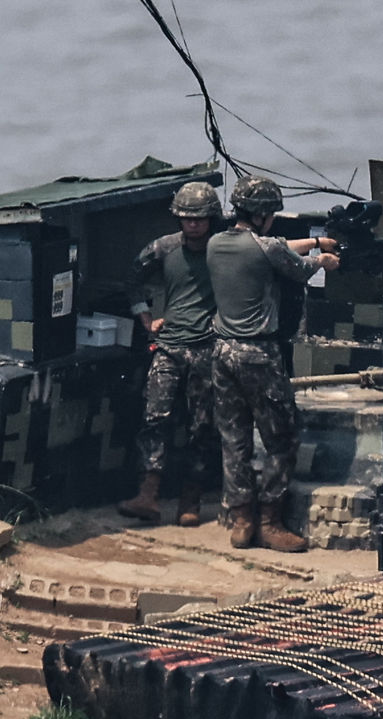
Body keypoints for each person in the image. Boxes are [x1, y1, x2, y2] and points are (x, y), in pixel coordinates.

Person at [206, 175, 340, 552]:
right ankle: (270, 521)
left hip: (222, 353)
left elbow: (271, 247)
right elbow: (295, 266)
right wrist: (323, 258)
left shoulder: (217, 244)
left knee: (234, 441)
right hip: (258, 356)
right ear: (265, 214)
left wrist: (313, 241)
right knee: (282, 437)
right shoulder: (265, 248)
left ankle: (242, 522)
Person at [118, 180, 222, 527]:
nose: (193, 224)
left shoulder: (222, 250)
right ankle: (148, 494)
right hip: (169, 345)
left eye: (200, 218)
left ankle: (190, 500)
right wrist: (147, 319)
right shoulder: (163, 248)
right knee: (154, 419)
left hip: (207, 347)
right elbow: (132, 278)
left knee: (201, 427)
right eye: (187, 218)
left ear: (211, 219)